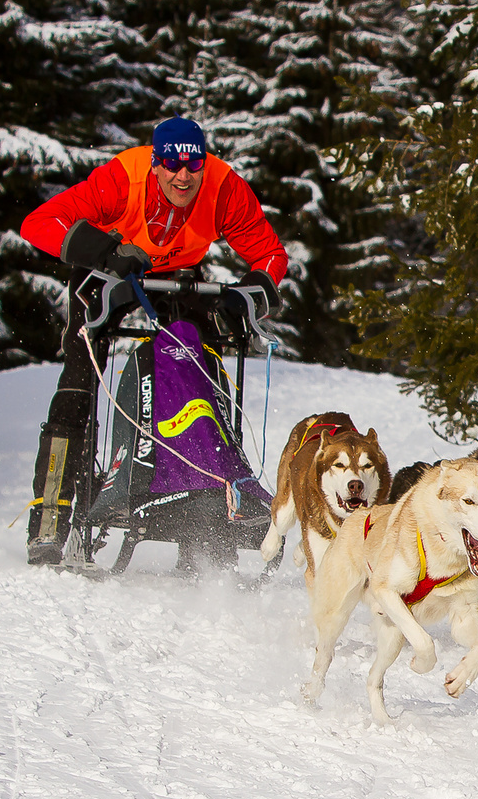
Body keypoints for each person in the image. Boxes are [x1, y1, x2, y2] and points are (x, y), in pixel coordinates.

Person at [19, 116, 288, 565]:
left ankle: (206, 511)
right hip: (109, 268)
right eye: (171, 163)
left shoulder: (223, 187)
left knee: (200, 366)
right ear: (155, 164)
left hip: (180, 276)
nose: (183, 175)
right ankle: (51, 518)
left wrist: (251, 293)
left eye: (193, 164)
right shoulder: (121, 179)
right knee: (80, 377)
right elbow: (38, 223)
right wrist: (106, 250)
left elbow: (271, 252)